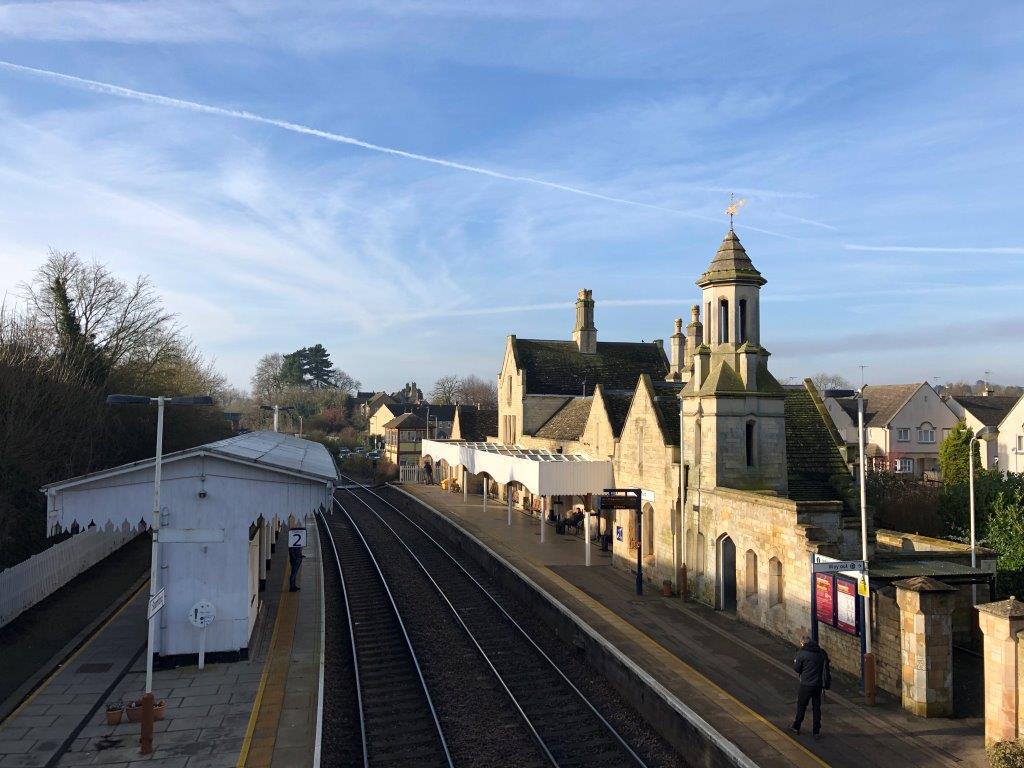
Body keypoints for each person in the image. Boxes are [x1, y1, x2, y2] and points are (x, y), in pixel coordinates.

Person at [791, 634, 830, 738]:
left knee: (802, 706)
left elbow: (797, 668)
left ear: (803, 643)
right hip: (818, 685)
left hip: (806, 684)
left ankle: (796, 726)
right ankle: (816, 731)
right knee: (816, 707)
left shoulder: (802, 653)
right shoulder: (821, 653)